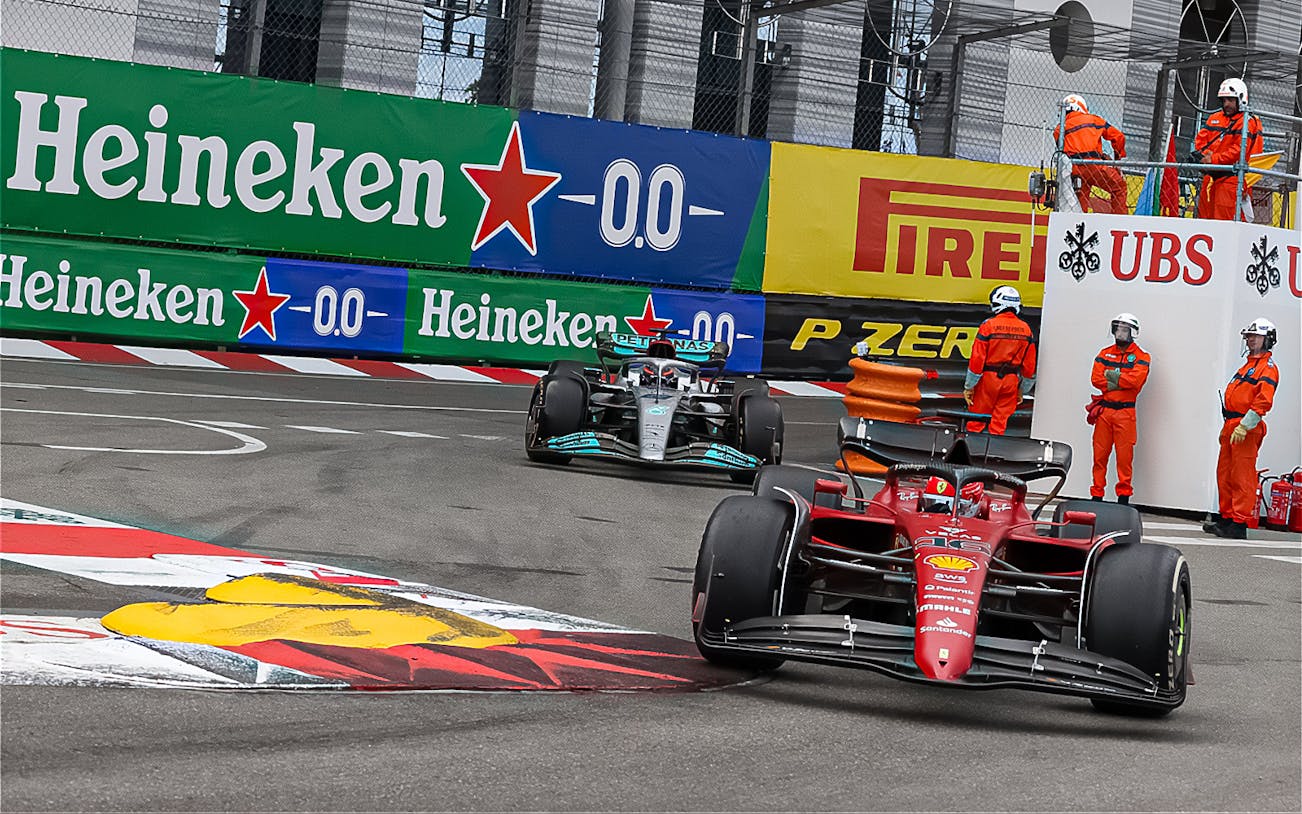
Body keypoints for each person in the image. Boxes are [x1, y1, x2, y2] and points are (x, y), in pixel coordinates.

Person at [1204, 318, 1279, 539]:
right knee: (1225, 473)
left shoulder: (1268, 368)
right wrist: (1230, 425)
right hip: (1232, 424)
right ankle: (1227, 518)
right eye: (1249, 336)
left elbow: (1263, 401)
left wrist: (1245, 425)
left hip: (1246, 426)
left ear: (1268, 339)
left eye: (1256, 336)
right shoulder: (1247, 366)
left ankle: (1238, 523)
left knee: (1241, 476)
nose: (1251, 340)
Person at [1089, 313, 1151, 505]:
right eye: (1118, 328)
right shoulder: (1104, 353)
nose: (1120, 333)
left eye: (1124, 329)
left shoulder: (1142, 357)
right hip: (1105, 412)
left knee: (1124, 458)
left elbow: (1135, 381)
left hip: (1125, 413)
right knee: (1099, 456)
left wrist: (1110, 376)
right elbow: (1095, 379)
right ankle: (1097, 494)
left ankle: (1123, 497)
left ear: (1132, 332)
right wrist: (1121, 380)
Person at [964, 286, 1036, 435]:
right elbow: (1029, 366)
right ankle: (994, 449)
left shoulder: (988, 326)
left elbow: (977, 359)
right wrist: (1022, 390)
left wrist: (969, 386)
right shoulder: (1026, 329)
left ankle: (970, 447)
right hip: (1011, 382)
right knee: (999, 425)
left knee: (975, 423)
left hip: (987, 380)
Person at [1192, 78, 1264, 221]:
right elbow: (1200, 142)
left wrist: (1212, 159)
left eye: (1230, 100)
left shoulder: (1247, 121)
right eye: (1224, 100)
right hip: (1210, 177)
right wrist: (1206, 156)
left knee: (1223, 221)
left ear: (1241, 99)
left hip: (1232, 179)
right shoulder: (1215, 118)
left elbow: (1238, 151)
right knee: (1204, 219)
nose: (1226, 104)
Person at [1054, 94, 1129, 214]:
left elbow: (1068, 150)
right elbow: (1119, 137)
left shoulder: (1059, 129)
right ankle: (1119, 221)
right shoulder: (1093, 119)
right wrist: (1117, 160)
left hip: (1073, 168)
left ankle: (1077, 223)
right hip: (1094, 165)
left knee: (1079, 204)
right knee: (1119, 187)